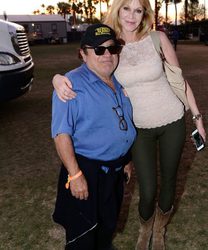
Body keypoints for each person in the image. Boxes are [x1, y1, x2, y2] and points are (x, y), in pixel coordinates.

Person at [52, 0, 206, 249]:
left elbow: (180, 81)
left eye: (138, 10)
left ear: (144, 14)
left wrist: (197, 118)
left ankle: (159, 231)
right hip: (139, 129)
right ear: (117, 10)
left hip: (172, 119)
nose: (132, 16)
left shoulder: (157, 39)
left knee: (169, 183)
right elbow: (87, 67)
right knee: (147, 190)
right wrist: (57, 79)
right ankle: (145, 227)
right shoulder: (112, 45)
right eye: (126, 8)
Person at [51, 23, 136, 250]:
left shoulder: (118, 81)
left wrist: (126, 160)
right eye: (98, 50)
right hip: (86, 172)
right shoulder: (70, 84)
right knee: (83, 234)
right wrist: (75, 174)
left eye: (112, 48)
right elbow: (61, 134)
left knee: (107, 226)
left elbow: (122, 123)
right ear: (83, 53)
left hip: (115, 171)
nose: (107, 55)